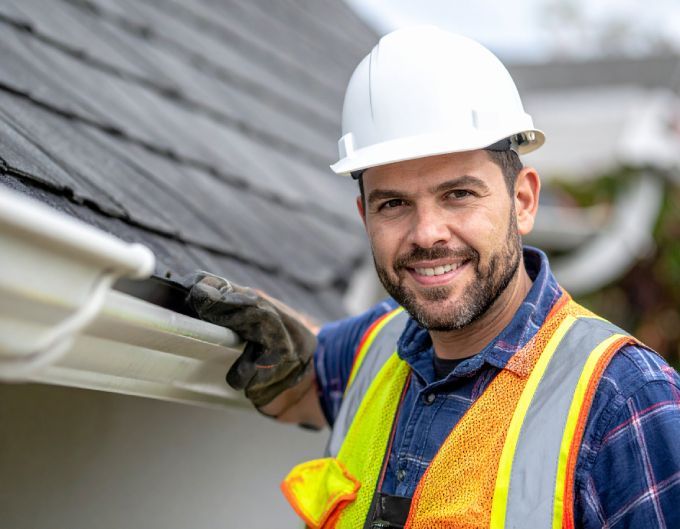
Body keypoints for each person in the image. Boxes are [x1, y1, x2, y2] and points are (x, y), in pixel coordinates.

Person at [184, 27, 680, 528]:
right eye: (394, 204)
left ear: (523, 200)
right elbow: (299, 375)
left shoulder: (624, 401)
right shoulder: (373, 347)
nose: (427, 234)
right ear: (365, 217)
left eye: (458, 194)